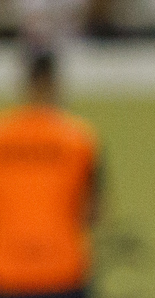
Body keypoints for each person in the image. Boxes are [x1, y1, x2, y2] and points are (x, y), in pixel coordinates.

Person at [0, 53, 99, 298]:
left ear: (25, 84)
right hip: (63, 272)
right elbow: (93, 212)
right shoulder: (80, 139)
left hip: (7, 273)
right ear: (56, 85)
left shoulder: (3, 136)